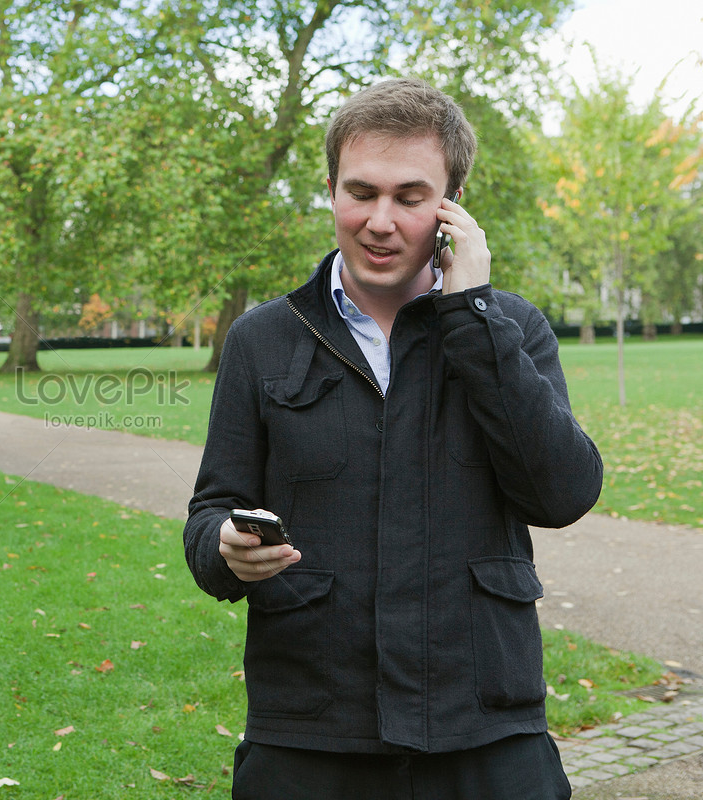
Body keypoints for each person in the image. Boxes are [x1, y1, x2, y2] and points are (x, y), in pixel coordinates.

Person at [183, 77, 603, 799]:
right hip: (311, 732)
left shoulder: (512, 330)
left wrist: (471, 314)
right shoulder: (262, 339)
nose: (379, 220)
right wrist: (224, 546)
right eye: (361, 192)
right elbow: (209, 516)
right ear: (330, 191)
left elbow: (561, 492)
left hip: (484, 730)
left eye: (409, 197)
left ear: (451, 206)